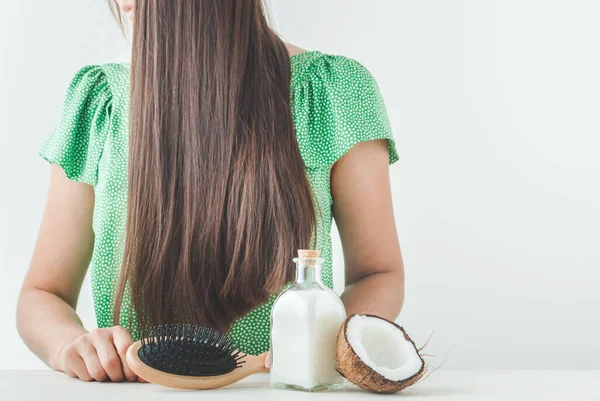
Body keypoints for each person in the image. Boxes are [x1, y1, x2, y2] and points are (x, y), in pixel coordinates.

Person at [16, 0, 404, 383]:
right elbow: (43, 293)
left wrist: (318, 347)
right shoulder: (99, 101)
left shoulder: (335, 92)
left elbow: (378, 274)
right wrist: (71, 345)